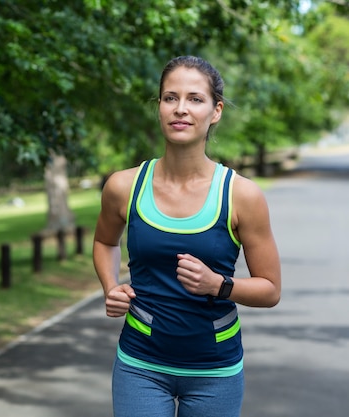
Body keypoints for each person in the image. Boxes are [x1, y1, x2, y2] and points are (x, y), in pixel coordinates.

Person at [92, 55, 281, 417]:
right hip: (140, 363)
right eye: (170, 98)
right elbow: (104, 242)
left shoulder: (241, 195)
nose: (181, 109)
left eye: (195, 99)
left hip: (215, 370)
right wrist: (109, 286)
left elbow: (270, 289)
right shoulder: (123, 186)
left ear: (216, 111)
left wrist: (219, 285)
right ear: (159, 107)